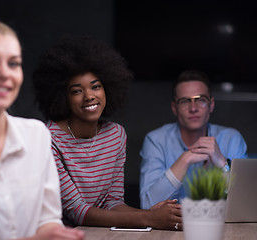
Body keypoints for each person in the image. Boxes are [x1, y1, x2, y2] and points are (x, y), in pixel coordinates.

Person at [32, 35, 182, 230]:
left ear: (107, 89)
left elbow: (112, 202)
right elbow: (76, 212)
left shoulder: (115, 135)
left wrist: (152, 215)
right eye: (77, 91)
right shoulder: (49, 139)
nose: (89, 96)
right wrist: (150, 219)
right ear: (62, 97)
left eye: (96, 87)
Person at [0, 10, 84, 240]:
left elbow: (47, 220)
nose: (4, 73)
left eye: (13, 63)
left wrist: (55, 234)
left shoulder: (36, 135)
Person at [139, 69, 248, 209]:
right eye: (185, 101)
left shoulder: (231, 138)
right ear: (174, 108)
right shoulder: (156, 140)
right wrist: (185, 159)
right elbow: (148, 205)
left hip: (222, 227)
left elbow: (245, 205)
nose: (193, 108)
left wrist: (222, 163)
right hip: (171, 229)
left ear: (211, 105)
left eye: (201, 100)